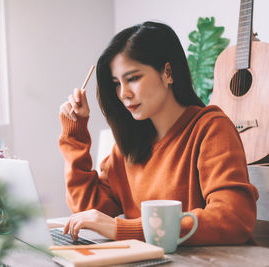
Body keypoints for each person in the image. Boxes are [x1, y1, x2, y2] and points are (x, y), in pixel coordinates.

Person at [58, 21, 259, 245]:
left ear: (168, 73)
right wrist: (75, 134)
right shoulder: (130, 146)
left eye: (133, 78)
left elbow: (233, 219)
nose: (124, 94)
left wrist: (123, 229)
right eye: (116, 83)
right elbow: (88, 211)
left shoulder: (211, 129)